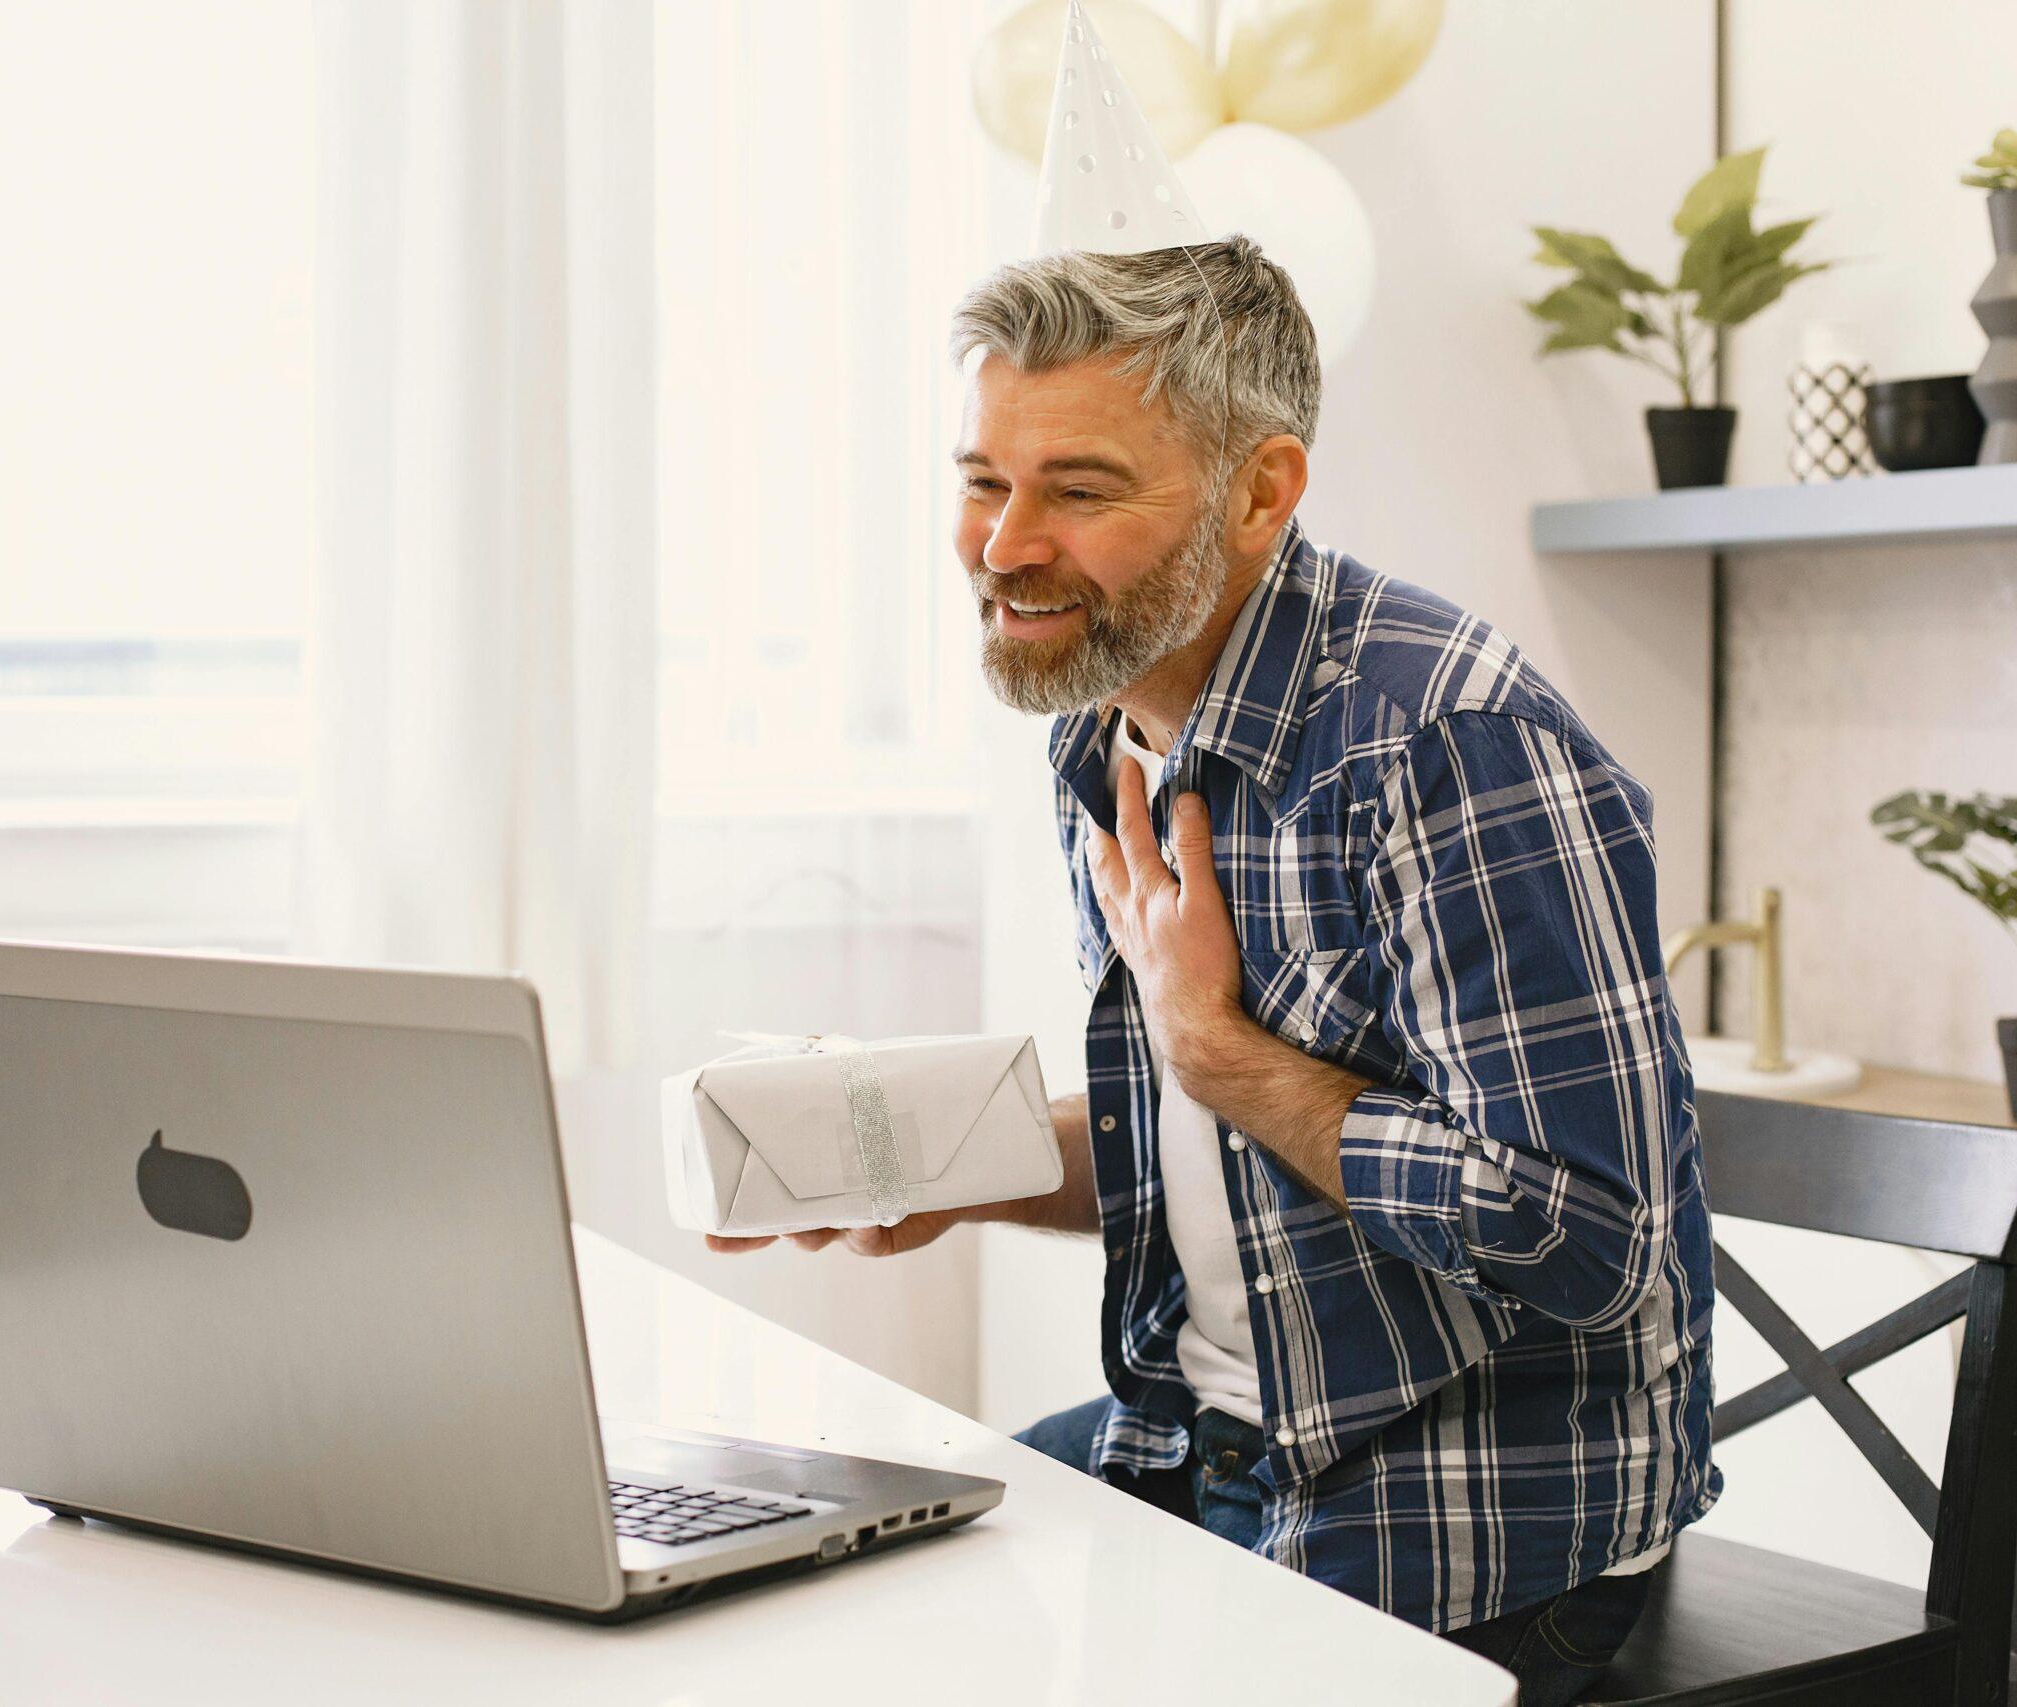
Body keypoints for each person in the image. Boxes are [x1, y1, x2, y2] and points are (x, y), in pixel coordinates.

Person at [712, 235, 1717, 1707]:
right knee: (800, 1610)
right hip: (1207, 1443)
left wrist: (1223, 1051)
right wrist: (950, 1165)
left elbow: (1587, 1238)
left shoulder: (1445, 743)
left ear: (1262, 493)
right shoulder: (1107, 721)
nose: (1002, 546)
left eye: (1080, 489)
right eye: (985, 481)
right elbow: (1202, 1152)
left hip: (1456, 1513)